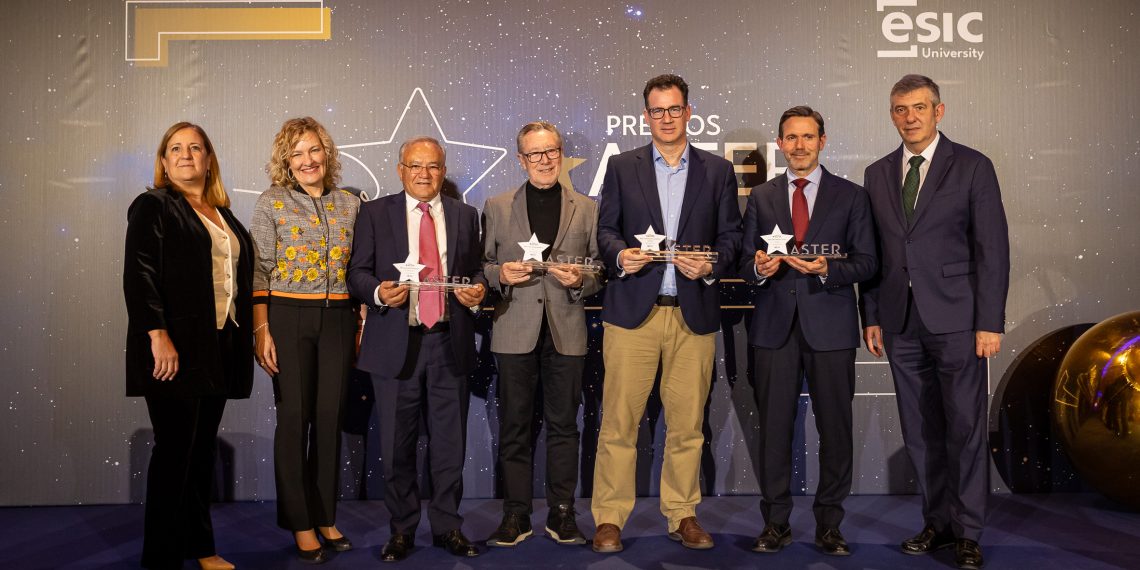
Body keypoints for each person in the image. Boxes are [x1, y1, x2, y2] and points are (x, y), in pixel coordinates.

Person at [860, 74, 1010, 570]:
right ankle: (938, 522)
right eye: (901, 109)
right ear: (892, 115)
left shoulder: (972, 166)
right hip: (900, 324)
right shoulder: (878, 173)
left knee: (964, 428)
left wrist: (989, 321)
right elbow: (875, 253)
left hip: (960, 321)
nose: (910, 117)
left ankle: (968, 532)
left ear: (939, 111)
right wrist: (873, 314)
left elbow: (993, 250)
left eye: (919, 107)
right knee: (920, 429)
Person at [592, 74, 742, 553]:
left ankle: (682, 514)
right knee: (618, 423)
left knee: (687, 425)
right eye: (657, 111)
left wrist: (712, 263)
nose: (667, 118)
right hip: (633, 311)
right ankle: (610, 518)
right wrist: (620, 257)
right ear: (646, 117)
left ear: (688, 112)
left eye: (674, 109)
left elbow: (732, 238)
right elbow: (606, 231)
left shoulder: (717, 171)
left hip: (692, 313)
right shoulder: (621, 166)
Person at [740, 106, 877, 557]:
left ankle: (829, 525)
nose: (799, 145)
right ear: (780, 144)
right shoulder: (760, 197)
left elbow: (867, 263)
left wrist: (827, 269)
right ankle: (775, 523)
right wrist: (758, 269)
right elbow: (744, 262)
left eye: (808, 137)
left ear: (822, 141)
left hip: (831, 329)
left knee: (835, 430)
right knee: (774, 431)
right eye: (791, 138)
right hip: (774, 330)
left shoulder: (851, 196)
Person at [347, 136, 487, 562]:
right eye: (415, 166)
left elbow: (476, 269)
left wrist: (478, 290)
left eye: (433, 167)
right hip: (394, 345)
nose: (424, 174)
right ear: (400, 169)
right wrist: (376, 292)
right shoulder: (374, 213)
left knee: (449, 446)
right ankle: (402, 530)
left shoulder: (466, 215)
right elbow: (356, 273)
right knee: (397, 446)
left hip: (449, 342)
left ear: (443, 172)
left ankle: (447, 527)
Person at [123, 121, 254, 570]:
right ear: (163, 162)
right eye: (175, 148)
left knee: (200, 453)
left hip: (218, 347)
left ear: (209, 159)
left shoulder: (223, 213)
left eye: (195, 147)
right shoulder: (153, 205)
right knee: (175, 452)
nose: (185, 155)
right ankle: (160, 559)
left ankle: (202, 548)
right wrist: (157, 335)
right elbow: (139, 276)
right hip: (173, 348)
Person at [481, 121, 603, 548]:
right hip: (514, 330)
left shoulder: (587, 207)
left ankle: (563, 513)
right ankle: (515, 514)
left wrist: (581, 280)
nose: (545, 160)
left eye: (551, 151)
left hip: (566, 331)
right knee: (514, 426)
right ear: (521, 160)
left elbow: (599, 270)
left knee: (565, 426)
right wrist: (501, 274)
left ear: (562, 154)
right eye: (535, 154)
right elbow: (482, 266)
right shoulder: (496, 206)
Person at [249, 117, 360, 562]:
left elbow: (358, 267)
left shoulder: (350, 204)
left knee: (329, 419)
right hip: (288, 317)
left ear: (327, 154)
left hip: (338, 319)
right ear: (285, 161)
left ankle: (325, 515)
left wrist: (361, 321)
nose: (307, 160)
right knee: (295, 419)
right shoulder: (272, 203)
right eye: (297, 153)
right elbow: (257, 269)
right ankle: (300, 522)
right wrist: (261, 330)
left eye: (314, 150)